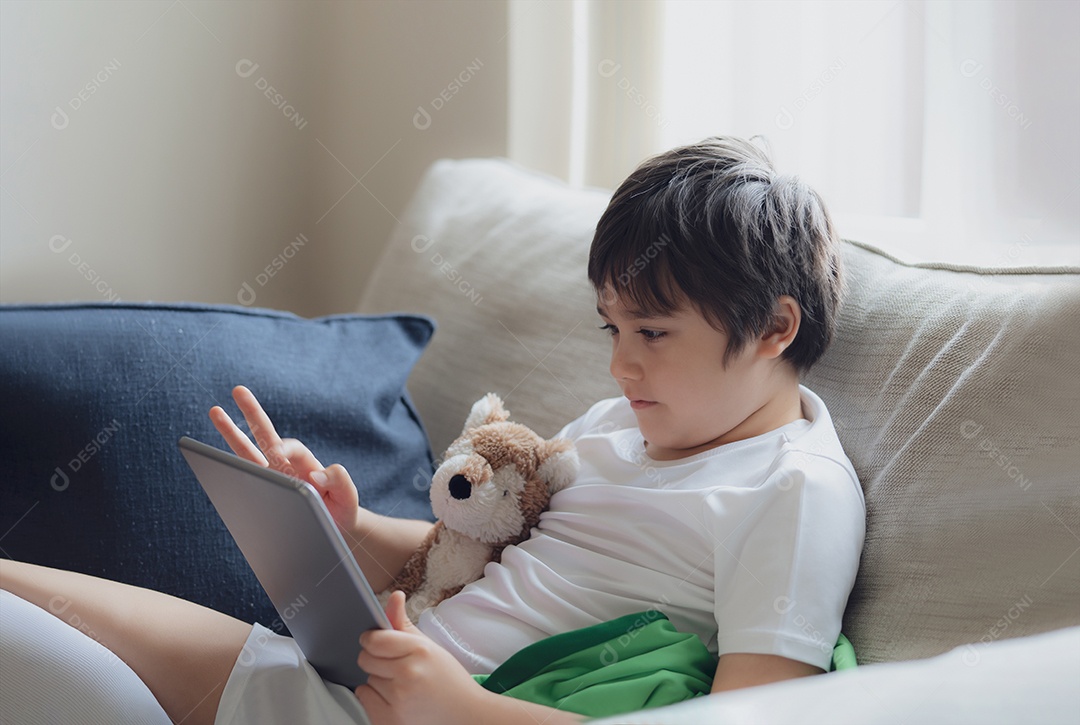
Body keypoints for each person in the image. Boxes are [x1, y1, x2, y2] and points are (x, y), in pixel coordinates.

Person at [0, 136, 865, 725]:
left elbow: (751, 717)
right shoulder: (618, 426)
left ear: (773, 327)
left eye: (653, 332)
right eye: (613, 327)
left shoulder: (794, 490)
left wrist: (464, 709)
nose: (619, 366)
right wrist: (345, 526)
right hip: (359, 681)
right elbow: (472, 560)